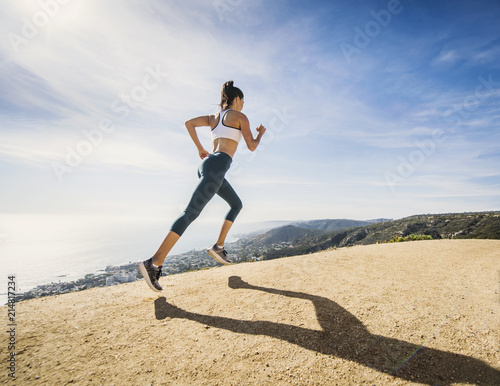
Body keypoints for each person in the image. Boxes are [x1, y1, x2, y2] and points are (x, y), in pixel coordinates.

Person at [138, 81, 267, 292]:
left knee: (236, 204)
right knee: (189, 213)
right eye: (243, 101)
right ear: (236, 99)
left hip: (207, 165)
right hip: (217, 166)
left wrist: (200, 149)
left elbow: (189, 123)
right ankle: (153, 263)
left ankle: (219, 246)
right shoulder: (240, 117)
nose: (243, 105)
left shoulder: (214, 118)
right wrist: (260, 133)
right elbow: (252, 146)